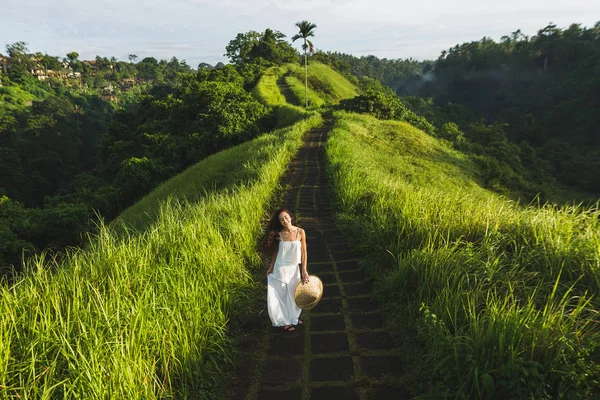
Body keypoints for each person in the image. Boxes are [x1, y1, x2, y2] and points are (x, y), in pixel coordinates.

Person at [263, 208, 309, 332]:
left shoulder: (300, 232)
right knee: (280, 294)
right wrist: (271, 267)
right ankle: (283, 321)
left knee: (294, 293)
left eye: (286, 217)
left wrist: (304, 270)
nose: (285, 221)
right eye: (281, 219)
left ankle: (293, 318)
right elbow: (275, 252)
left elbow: (304, 252)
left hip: (294, 268)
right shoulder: (279, 234)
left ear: (291, 217)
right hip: (281, 267)